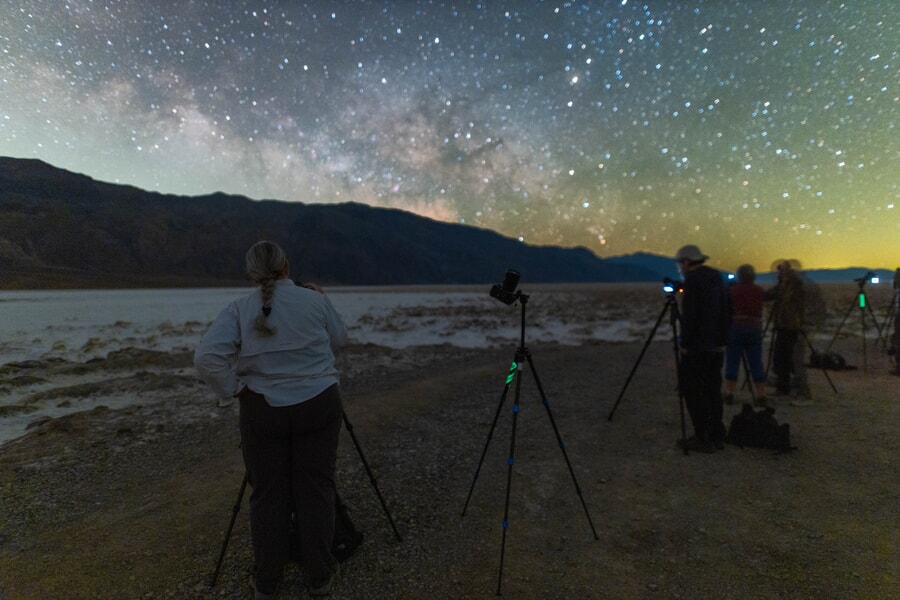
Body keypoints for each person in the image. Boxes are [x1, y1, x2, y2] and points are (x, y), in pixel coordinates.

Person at [194, 240, 348, 599]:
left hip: (263, 411)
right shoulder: (315, 300)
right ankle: (319, 578)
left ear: (252, 274)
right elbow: (339, 341)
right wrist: (323, 301)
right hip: (319, 405)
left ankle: (267, 581)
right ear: (286, 267)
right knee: (317, 489)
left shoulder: (238, 309)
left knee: (267, 494)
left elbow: (206, 358)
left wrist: (236, 389)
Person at [675, 244, 731, 453]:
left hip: (698, 348)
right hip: (717, 346)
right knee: (712, 390)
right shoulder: (716, 277)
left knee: (694, 391)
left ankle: (702, 437)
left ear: (687, 262)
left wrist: (685, 344)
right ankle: (717, 433)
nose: (680, 267)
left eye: (680, 263)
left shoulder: (693, 280)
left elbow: (691, 316)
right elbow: (728, 308)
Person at [765, 259, 810, 403]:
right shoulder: (784, 285)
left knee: (784, 357)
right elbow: (770, 295)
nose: (780, 273)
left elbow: (795, 304)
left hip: (790, 326)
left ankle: (787, 387)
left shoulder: (794, 285)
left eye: (782, 270)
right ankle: (785, 385)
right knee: (782, 357)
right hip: (784, 325)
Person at [723, 264, 768, 407]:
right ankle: (761, 395)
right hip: (754, 328)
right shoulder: (759, 291)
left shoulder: (732, 291)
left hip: (736, 328)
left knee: (732, 361)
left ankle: (730, 393)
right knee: (756, 362)